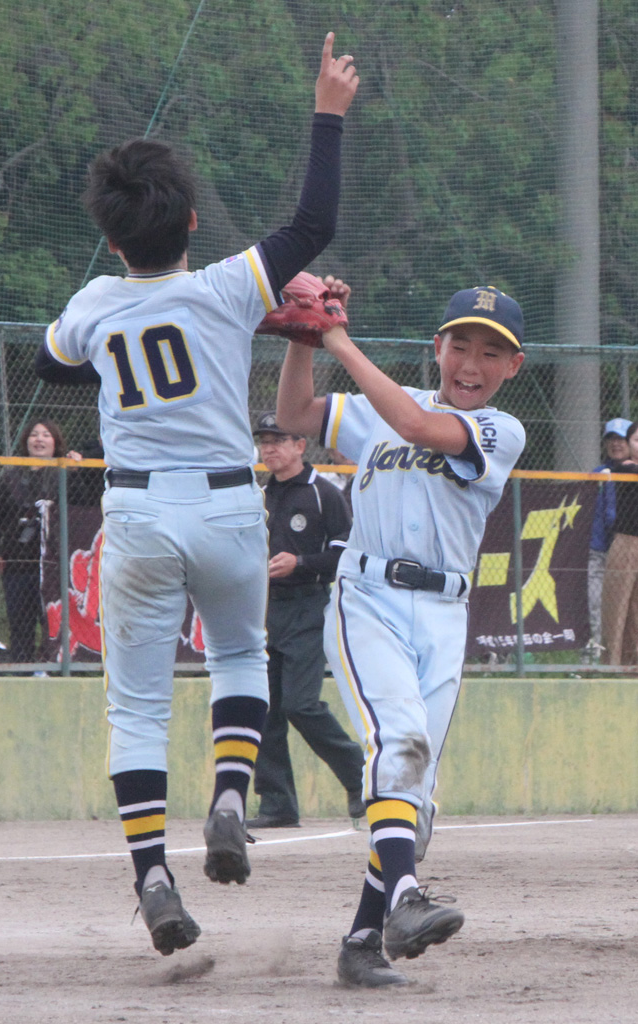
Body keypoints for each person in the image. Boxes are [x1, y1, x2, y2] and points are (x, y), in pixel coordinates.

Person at [35, 34, 359, 958]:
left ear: (110, 235)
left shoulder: (96, 300)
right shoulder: (224, 287)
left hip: (136, 512)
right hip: (226, 506)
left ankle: (153, 880)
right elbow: (312, 225)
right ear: (186, 226)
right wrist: (327, 115)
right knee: (241, 659)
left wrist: (106, 340)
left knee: (135, 708)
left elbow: (54, 366)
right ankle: (228, 797)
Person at [276, 281, 525, 986]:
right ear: (435, 348)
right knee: (400, 744)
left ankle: (362, 940)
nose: (471, 363)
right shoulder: (372, 414)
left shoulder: (501, 430)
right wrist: (304, 341)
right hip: (369, 598)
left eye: (489, 352)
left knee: (415, 795)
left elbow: (419, 429)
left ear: (513, 367)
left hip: (445, 613)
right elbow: (293, 412)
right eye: (460, 345)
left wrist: (336, 339)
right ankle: (405, 898)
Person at [247, 411, 364, 829]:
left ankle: (360, 776)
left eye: (278, 439)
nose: (269, 448)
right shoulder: (258, 494)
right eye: (264, 441)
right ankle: (277, 803)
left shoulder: (324, 494)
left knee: (300, 703)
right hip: (264, 611)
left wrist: (300, 563)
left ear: (300, 445)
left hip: (308, 607)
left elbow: (344, 557)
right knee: (265, 710)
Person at [0, 421, 81, 663]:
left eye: (46, 435)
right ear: (26, 441)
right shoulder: (11, 475)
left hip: (53, 566)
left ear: (55, 442)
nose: (39, 439)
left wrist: (76, 468)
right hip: (18, 563)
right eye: (34, 435)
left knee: (54, 624)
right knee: (20, 623)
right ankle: (22, 669)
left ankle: (54, 670)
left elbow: (83, 503)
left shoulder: (64, 472)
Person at [587, 418, 631, 647]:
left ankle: (624, 651)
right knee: (596, 602)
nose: (616, 444)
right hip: (599, 549)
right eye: (611, 439)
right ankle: (598, 648)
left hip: (628, 552)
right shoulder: (598, 473)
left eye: (621, 439)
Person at [601, 421, 638, 665]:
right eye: (636, 440)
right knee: (617, 606)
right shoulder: (624, 467)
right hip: (627, 543)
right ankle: (612, 664)